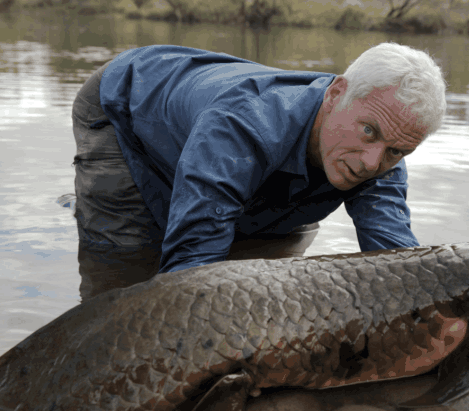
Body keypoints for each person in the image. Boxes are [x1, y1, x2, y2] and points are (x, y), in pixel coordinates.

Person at [71, 42, 446, 299]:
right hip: (127, 101)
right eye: (368, 130)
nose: (371, 163)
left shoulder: (383, 155)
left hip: (218, 132)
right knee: (123, 257)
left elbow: (398, 268)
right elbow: (189, 274)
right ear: (336, 94)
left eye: (397, 151)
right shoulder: (243, 126)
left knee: (267, 251)